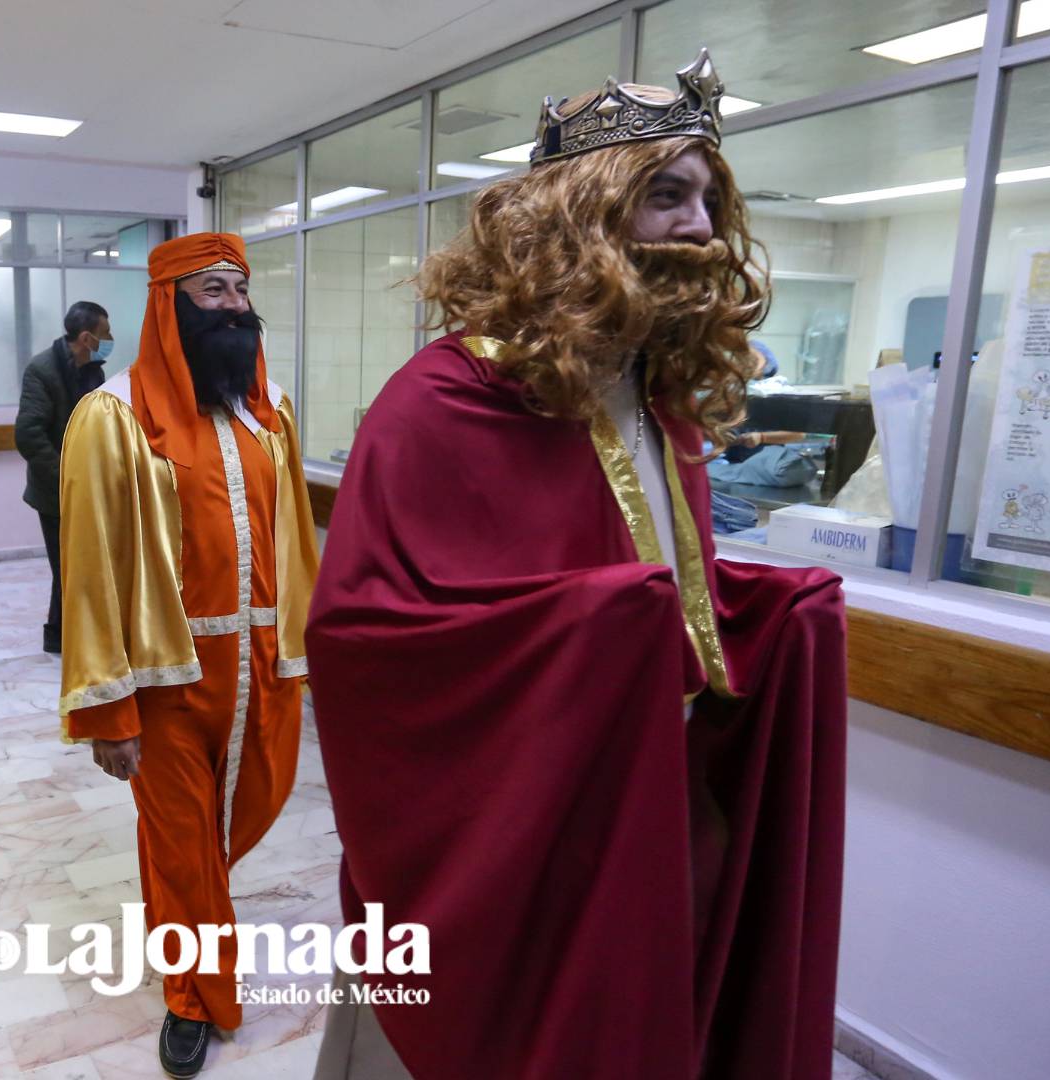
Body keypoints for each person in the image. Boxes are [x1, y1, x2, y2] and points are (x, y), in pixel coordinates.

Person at [307, 52, 848, 1080]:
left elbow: (670, 595)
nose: (700, 227)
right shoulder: (442, 399)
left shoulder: (663, 399)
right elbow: (367, 646)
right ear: (579, 213)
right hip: (506, 840)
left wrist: (755, 610)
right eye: (666, 194)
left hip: (648, 808)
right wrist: (598, 628)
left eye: (707, 199)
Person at [57, 233, 319, 1078]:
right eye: (214, 291)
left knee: (238, 820)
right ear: (170, 304)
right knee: (178, 845)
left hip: (261, 666)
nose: (237, 307)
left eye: (241, 290)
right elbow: (92, 570)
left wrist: (301, 655)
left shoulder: (268, 411)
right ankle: (191, 996)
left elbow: (295, 547)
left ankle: (195, 937)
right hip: (166, 682)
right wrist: (106, 707)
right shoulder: (113, 417)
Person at [17, 300, 111, 653]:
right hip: (55, 492)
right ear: (86, 337)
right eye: (106, 333)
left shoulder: (94, 371)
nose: (111, 338)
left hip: (91, 487)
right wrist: (67, 478)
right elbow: (28, 434)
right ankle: (65, 638)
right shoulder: (42, 369)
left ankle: (63, 635)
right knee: (67, 566)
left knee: (80, 564)